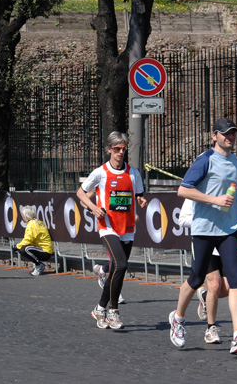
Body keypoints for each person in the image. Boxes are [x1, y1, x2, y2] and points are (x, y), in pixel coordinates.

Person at [169, 117, 237, 355]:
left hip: (229, 229)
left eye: (233, 133)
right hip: (204, 229)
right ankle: (177, 318)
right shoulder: (204, 159)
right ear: (214, 136)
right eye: (225, 133)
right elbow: (183, 189)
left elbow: (230, 188)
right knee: (197, 279)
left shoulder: (235, 160)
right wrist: (214, 200)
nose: (230, 137)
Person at [77, 131, 148, 330]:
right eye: (116, 149)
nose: (120, 152)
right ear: (109, 149)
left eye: (124, 148)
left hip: (127, 228)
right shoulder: (101, 172)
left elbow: (139, 196)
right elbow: (80, 193)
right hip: (107, 226)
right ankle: (113, 311)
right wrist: (93, 208)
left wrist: (141, 202)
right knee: (121, 264)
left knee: (118, 271)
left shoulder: (133, 173)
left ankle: (100, 308)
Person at [178, 197, 230, 344]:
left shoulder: (227, 188)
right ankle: (211, 329)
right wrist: (204, 222)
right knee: (214, 284)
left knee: (227, 288)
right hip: (206, 243)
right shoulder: (196, 191)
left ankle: (205, 295)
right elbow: (182, 220)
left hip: (226, 242)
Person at [12, 205, 53, 276]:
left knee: (24, 249)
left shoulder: (32, 224)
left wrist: (17, 246)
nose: (22, 218)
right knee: (25, 248)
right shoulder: (36, 222)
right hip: (44, 250)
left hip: (45, 251)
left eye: (23, 216)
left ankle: (39, 265)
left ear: (27, 217)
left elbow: (28, 239)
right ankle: (36, 265)